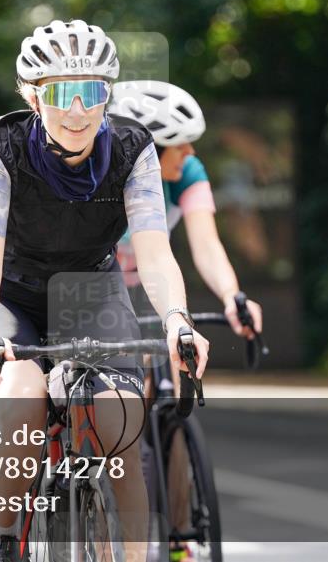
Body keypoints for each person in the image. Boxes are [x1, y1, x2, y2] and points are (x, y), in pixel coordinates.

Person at [0, 19, 210, 562]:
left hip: (91, 290)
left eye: (91, 92)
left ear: (107, 96)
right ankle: (0, 536)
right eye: (61, 93)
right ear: (32, 96)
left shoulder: (131, 147)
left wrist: (176, 319)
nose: (77, 110)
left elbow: (155, 252)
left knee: (120, 423)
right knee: (23, 397)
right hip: (10, 293)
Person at [110, 80, 264, 561]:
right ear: (150, 149)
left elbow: (206, 244)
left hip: (152, 291)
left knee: (176, 394)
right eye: (181, 143)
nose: (191, 151)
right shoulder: (107, 173)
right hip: (97, 290)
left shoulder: (188, 171)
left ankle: (178, 538)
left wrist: (232, 295)